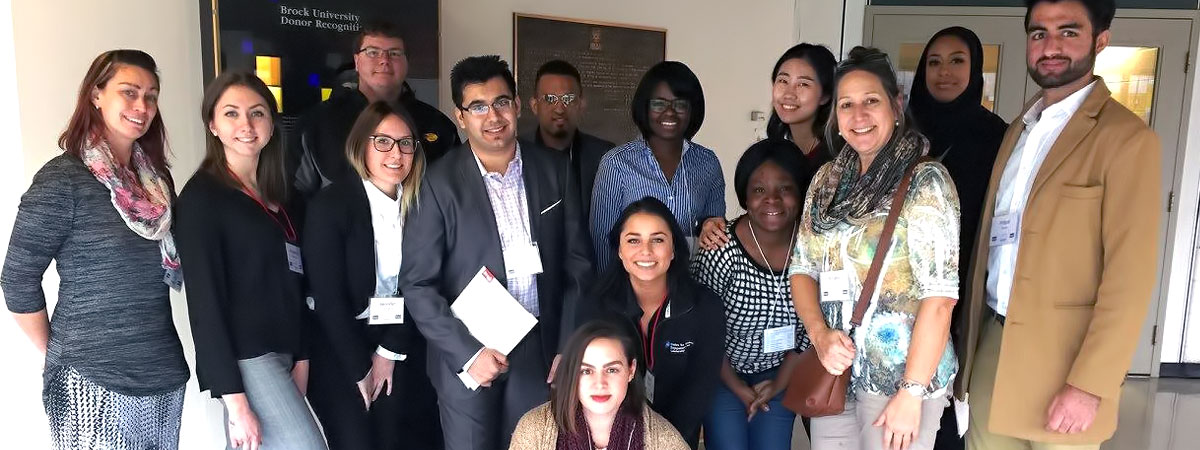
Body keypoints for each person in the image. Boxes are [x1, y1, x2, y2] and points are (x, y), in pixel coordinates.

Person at [956, 1, 1162, 449]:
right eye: (1038, 33)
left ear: (1100, 40)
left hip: (1066, 359)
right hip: (993, 339)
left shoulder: (1126, 140)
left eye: (1068, 32)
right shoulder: (1017, 130)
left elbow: (1130, 277)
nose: (1050, 46)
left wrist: (1090, 384)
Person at [396, 55, 593, 450]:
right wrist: (469, 354)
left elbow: (577, 265)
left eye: (502, 102)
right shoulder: (436, 183)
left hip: (539, 352)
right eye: (479, 106)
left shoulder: (554, 171)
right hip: (469, 351)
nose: (494, 116)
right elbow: (417, 284)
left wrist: (566, 346)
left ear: (518, 106)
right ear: (460, 115)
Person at [1, 49, 188, 449]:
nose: (143, 106)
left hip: (162, 371)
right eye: (129, 92)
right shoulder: (62, 180)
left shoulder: (158, 183)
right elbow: (17, 279)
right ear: (96, 95)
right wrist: (61, 353)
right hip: (90, 378)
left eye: (151, 95)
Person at [789, 46, 960, 450]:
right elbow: (802, 269)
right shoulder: (827, 182)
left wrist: (912, 393)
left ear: (896, 106)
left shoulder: (925, 181)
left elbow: (940, 299)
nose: (858, 116)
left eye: (871, 101)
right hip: (838, 374)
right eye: (847, 104)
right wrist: (819, 336)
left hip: (899, 380)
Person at [176, 70, 326, 450]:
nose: (246, 124)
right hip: (246, 356)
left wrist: (303, 356)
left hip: (287, 348)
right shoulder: (201, 199)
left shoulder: (284, 194)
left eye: (257, 113)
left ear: (272, 124)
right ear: (212, 124)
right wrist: (236, 404)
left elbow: (300, 282)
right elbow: (205, 305)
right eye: (231, 113)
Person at [302, 101, 442, 449]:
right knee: (355, 437)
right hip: (338, 340)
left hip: (398, 334)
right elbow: (328, 297)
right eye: (383, 142)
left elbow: (420, 286)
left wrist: (387, 352)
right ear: (361, 144)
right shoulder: (331, 204)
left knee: (404, 430)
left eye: (406, 143)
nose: (396, 153)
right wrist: (360, 369)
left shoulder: (422, 205)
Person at [905, 26, 1009, 450]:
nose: (943, 72)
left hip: (965, 283)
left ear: (975, 70)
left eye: (956, 61)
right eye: (934, 62)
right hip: (903, 281)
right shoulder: (902, 132)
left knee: (950, 401)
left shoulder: (997, 136)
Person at [692, 139, 816, 450]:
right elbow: (703, 329)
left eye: (785, 189)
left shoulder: (812, 250)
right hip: (723, 373)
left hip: (781, 370)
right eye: (759, 190)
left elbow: (809, 331)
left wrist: (777, 385)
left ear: (800, 193)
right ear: (745, 196)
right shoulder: (720, 250)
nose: (772, 200)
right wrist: (738, 387)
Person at [580, 196, 725, 449]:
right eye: (633, 240)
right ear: (619, 251)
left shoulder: (705, 307)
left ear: (673, 250)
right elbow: (592, 386)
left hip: (676, 436)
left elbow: (699, 391)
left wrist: (662, 441)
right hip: (613, 436)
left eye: (657, 240)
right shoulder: (595, 308)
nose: (645, 251)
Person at [291, 19, 460, 200]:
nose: (384, 61)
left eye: (394, 53)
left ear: (406, 63)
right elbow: (296, 197)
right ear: (357, 61)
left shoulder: (438, 126)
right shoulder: (317, 122)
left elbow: (455, 194)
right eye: (373, 52)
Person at [697, 43, 837, 252]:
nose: (789, 93)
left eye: (803, 84)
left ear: (825, 95)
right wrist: (712, 225)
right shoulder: (771, 147)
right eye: (783, 81)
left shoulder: (838, 158)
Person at [590, 61, 724, 270]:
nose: (670, 112)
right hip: (629, 290)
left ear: (692, 110)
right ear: (645, 107)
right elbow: (602, 240)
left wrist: (709, 226)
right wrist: (610, 297)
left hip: (689, 288)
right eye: (659, 104)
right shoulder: (617, 163)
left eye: (680, 104)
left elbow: (715, 234)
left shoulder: (707, 163)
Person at [508, 320, 690, 450]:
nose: (599, 383)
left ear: (631, 370)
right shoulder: (533, 429)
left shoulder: (665, 440)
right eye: (586, 371)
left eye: (611, 370)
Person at [523, 59, 616, 226]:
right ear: (534, 105)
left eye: (568, 98)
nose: (559, 108)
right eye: (550, 99)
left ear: (581, 104)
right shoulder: (516, 153)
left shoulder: (605, 156)